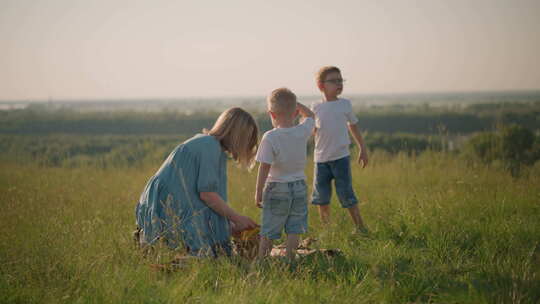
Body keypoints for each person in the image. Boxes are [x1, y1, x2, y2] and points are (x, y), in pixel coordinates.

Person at [135, 107, 259, 257]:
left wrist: (230, 225)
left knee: (216, 254)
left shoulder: (208, 145)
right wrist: (237, 218)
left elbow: (203, 202)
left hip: (169, 204)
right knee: (210, 258)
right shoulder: (210, 147)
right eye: (247, 139)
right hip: (168, 206)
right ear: (237, 136)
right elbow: (207, 195)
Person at [254, 88, 315, 260]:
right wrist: (295, 104)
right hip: (300, 186)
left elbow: (264, 167)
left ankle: (262, 262)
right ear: (296, 112)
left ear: (271, 114)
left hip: (276, 187)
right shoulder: (301, 131)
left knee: (269, 230)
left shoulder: (270, 137)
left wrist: (258, 191)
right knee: (294, 228)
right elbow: (311, 115)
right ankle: (289, 260)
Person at [311, 66, 369, 233]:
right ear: (321, 86)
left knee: (347, 194)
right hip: (321, 161)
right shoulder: (315, 107)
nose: (339, 84)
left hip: (341, 158)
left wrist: (362, 148)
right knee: (322, 198)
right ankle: (327, 230)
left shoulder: (345, 104)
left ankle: (360, 227)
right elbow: (311, 131)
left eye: (340, 80)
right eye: (334, 81)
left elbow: (354, 126)